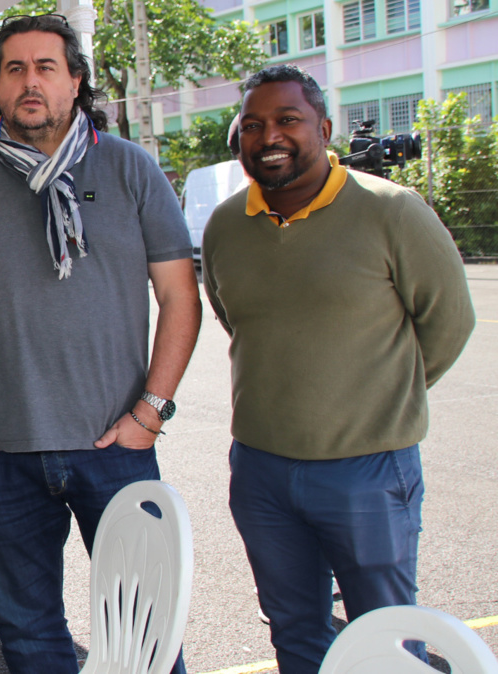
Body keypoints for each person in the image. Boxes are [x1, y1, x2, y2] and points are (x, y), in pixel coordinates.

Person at [0, 14, 200, 673]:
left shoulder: (130, 170)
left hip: (114, 450)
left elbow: (181, 296)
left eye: (45, 67)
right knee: (29, 636)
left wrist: (152, 411)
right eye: (13, 69)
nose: (29, 81)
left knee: (145, 632)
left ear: (75, 81)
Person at [202, 64, 475, 674]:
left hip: (368, 471)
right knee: (295, 630)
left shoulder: (392, 211)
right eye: (253, 124)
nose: (268, 135)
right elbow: (237, 318)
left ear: (324, 128)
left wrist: (377, 393)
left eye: (287, 120)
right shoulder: (224, 226)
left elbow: (449, 322)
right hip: (261, 472)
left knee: (385, 636)